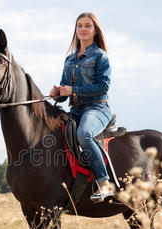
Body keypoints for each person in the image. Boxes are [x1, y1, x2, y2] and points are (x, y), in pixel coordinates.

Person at [50, 12, 113, 202]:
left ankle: (104, 183)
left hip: (97, 108)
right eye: (79, 26)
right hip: (75, 110)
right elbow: (65, 89)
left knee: (84, 134)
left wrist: (73, 90)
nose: (83, 29)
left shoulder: (101, 56)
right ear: (75, 30)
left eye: (87, 26)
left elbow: (103, 86)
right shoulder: (69, 59)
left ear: (95, 31)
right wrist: (58, 93)